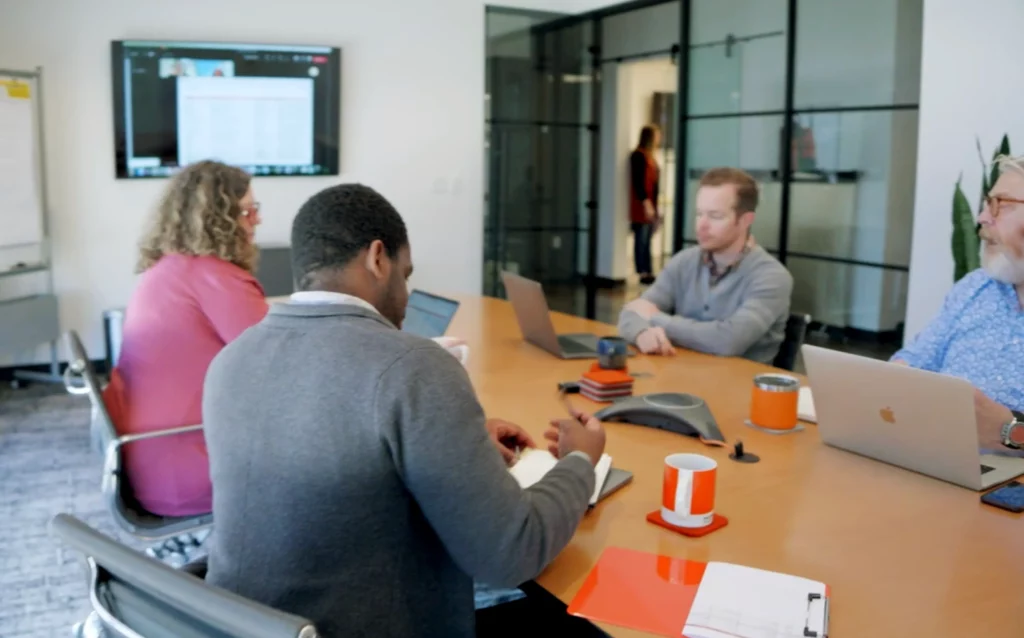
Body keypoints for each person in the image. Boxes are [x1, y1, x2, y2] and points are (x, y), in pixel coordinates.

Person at [201, 184, 607, 638]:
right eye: (406, 274)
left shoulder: (229, 360)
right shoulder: (415, 367)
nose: (408, 293)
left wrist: (460, 440)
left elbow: (333, 450)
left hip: (239, 624)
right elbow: (512, 553)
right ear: (378, 258)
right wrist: (580, 462)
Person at [102, 161, 267, 517]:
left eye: (256, 209)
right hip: (192, 468)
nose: (257, 220)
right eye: (247, 211)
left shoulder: (172, 268)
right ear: (217, 217)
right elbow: (278, 362)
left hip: (154, 460)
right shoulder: (214, 276)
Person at [892, 154, 1024, 453]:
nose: (981, 217)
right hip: (938, 458)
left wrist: (1010, 430)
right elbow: (915, 360)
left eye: (999, 205)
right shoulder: (976, 287)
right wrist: (893, 380)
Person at [618, 167, 793, 363]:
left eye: (715, 216)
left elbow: (728, 341)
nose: (702, 225)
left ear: (745, 220)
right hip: (682, 375)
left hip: (740, 386)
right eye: (699, 214)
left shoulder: (771, 276)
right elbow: (632, 312)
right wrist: (641, 333)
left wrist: (656, 318)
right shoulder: (684, 261)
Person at [629, 124, 661, 285]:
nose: (659, 139)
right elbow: (638, 181)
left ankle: (648, 270)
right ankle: (642, 271)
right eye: (656, 135)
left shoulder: (651, 157)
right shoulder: (638, 156)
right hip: (641, 204)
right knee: (640, 238)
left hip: (651, 203)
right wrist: (646, 203)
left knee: (647, 239)